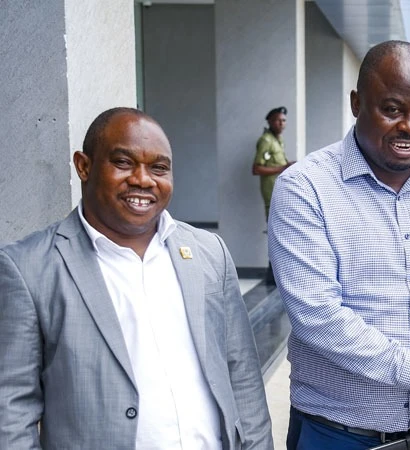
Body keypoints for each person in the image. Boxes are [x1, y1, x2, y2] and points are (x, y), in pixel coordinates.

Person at [268, 40, 410, 450]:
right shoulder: (304, 188)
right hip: (335, 434)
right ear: (357, 103)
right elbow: (318, 316)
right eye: (392, 109)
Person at [0, 107, 273, 449]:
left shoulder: (209, 252)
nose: (144, 179)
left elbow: (242, 374)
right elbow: (11, 411)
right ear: (84, 166)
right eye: (124, 162)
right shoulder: (28, 267)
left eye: (159, 168)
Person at [252, 106, 294, 285]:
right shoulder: (266, 141)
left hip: (280, 192)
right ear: (269, 121)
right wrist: (283, 168)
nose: (281, 124)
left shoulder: (278, 140)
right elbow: (256, 168)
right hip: (270, 195)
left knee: (281, 230)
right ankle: (272, 274)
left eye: (284, 120)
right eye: (278, 120)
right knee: (274, 231)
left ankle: (277, 272)